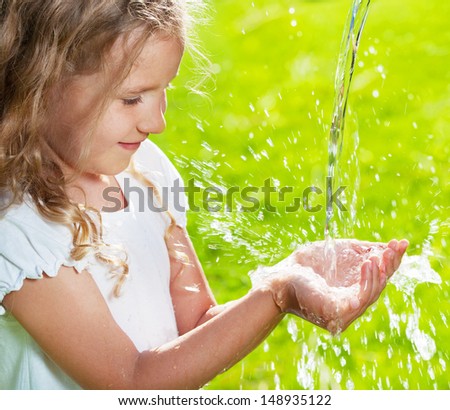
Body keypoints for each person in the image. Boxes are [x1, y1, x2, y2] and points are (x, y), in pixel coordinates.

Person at [0, 0, 408, 390]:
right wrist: (278, 293)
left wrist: (290, 272)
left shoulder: (145, 170)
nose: (156, 122)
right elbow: (130, 380)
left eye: (165, 91)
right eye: (131, 99)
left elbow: (197, 326)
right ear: (40, 82)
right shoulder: (19, 227)